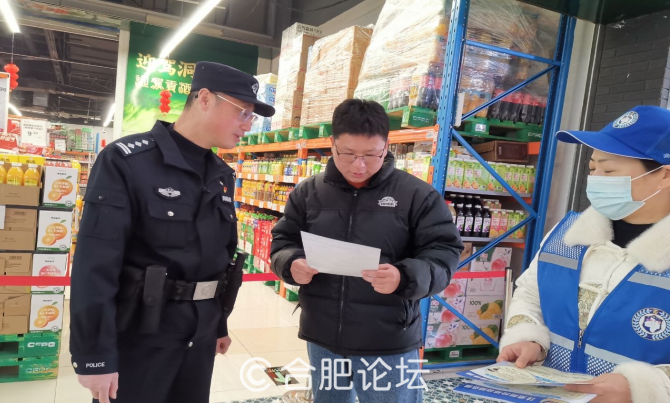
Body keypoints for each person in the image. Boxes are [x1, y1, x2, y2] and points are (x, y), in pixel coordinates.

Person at [70, 62, 275, 403]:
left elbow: (217, 259)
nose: (248, 125)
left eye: (252, 117)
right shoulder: (126, 161)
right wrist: (94, 355)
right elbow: (95, 265)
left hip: (199, 337)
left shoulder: (221, 174)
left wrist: (219, 324)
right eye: (243, 112)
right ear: (204, 98)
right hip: (140, 336)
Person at [270, 99, 463, 402]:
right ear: (332, 144)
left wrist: (404, 276)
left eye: (371, 155)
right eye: (347, 154)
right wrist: (290, 263)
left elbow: (444, 253)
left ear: (386, 147)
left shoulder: (417, 195)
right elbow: (283, 241)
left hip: (387, 339)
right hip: (323, 336)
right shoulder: (308, 193)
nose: (358, 165)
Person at [498, 105, 670, 403]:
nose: (596, 178)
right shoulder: (567, 235)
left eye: (609, 171)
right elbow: (530, 294)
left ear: (664, 175)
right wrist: (528, 337)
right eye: (592, 169)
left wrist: (647, 388)